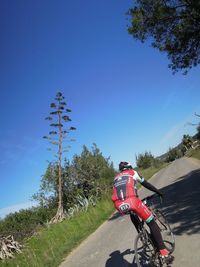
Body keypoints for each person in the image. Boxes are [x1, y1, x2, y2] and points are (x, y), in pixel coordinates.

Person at [111, 161, 174, 264]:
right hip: (133, 201)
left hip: (119, 206)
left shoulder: (116, 178)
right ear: (129, 167)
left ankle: (142, 234)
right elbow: (146, 184)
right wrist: (158, 192)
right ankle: (164, 254)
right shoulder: (132, 172)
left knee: (133, 213)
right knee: (152, 222)